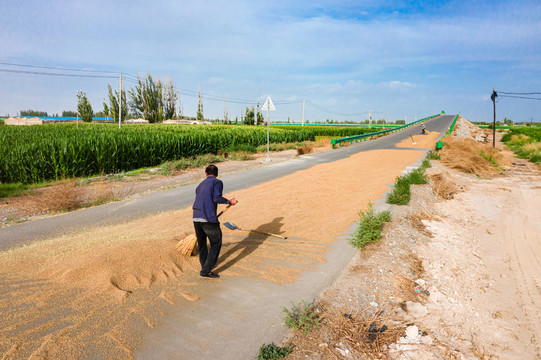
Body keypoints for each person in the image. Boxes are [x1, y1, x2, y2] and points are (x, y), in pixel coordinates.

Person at [192, 164, 237, 279]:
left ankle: (205, 266)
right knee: (216, 243)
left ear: (206, 174)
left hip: (196, 217)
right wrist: (229, 201)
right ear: (216, 174)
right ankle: (206, 271)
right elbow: (216, 198)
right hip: (208, 218)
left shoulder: (200, 185)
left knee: (202, 244)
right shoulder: (217, 182)